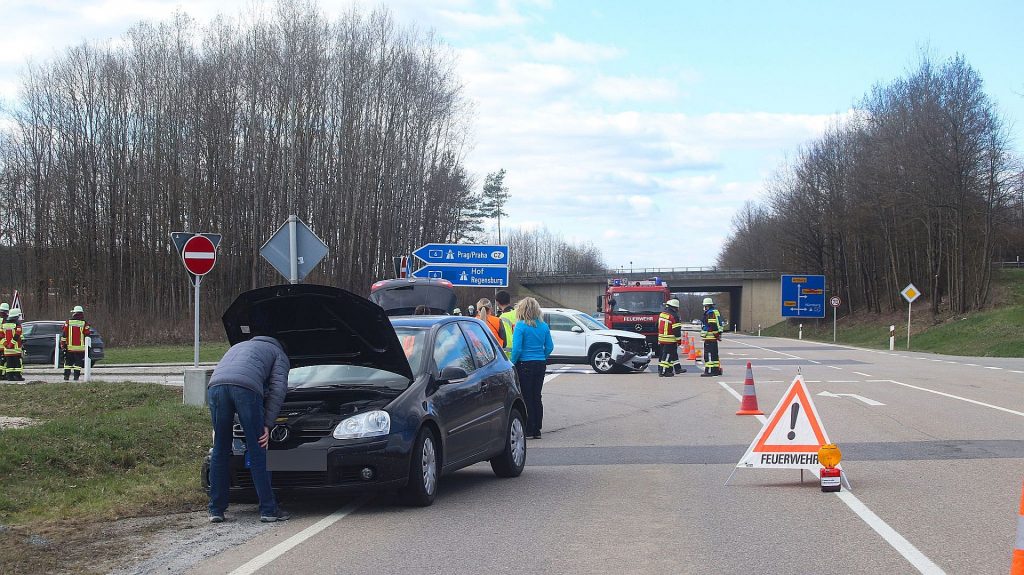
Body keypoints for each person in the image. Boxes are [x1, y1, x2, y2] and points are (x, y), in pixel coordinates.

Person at [207, 335, 290, 523]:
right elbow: (277, 390)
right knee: (258, 448)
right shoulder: (279, 354)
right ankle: (269, 509)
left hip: (215, 387)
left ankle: (216, 509)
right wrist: (267, 425)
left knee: (220, 449)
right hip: (246, 389)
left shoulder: (239, 346)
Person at [509, 297, 553, 439]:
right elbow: (550, 347)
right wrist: (541, 356)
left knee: (526, 396)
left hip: (524, 364)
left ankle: (528, 428)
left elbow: (516, 349)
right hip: (540, 364)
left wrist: (512, 362)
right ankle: (537, 429)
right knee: (536, 396)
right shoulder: (543, 326)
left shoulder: (520, 326)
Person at [61, 305, 92, 381]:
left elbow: (64, 333)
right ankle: (76, 377)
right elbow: (87, 334)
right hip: (80, 349)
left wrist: (63, 344)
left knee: (68, 363)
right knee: (78, 364)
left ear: (74, 313)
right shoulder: (84, 323)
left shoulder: (68, 322)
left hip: (69, 348)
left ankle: (66, 376)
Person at [657, 299, 686, 377]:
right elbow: (676, 330)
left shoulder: (662, 314)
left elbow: (657, 325)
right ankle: (663, 371)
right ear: (676, 307)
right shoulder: (674, 316)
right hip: (669, 339)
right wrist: (679, 340)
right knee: (667, 355)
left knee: (671, 354)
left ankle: (675, 369)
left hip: (662, 338)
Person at [700, 297, 725, 377]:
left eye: (704, 306)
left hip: (710, 337)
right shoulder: (715, 312)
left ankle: (709, 371)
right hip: (713, 338)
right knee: (714, 354)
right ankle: (715, 370)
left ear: (707, 306)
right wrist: (718, 335)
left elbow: (712, 325)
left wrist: (716, 335)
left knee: (709, 354)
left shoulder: (710, 313)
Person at [2, 308, 24, 381]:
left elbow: (1, 336)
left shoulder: (4, 324)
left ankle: (10, 377)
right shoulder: (17, 325)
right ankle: (18, 376)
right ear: (16, 316)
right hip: (15, 349)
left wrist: (6, 345)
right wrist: (11, 344)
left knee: (9, 364)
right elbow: (17, 335)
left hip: (7, 350)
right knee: (17, 364)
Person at [495, 290, 517, 355]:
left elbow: (507, 337)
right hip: (520, 352)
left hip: (509, 354)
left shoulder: (503, 317)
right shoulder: (518, 313)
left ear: (497, 302)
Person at [0, 303, 9, 379]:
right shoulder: (6, 320)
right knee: (4, 361)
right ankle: (3, 374)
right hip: (4, 344)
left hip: (3, 343)